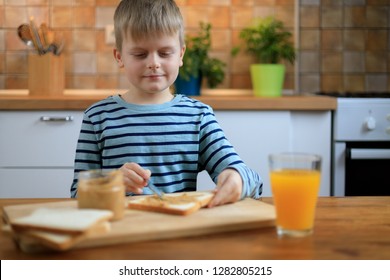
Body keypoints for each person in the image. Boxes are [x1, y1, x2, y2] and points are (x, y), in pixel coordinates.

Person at [70, 0, 262, 207]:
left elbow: (253, 181)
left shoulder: (199, 117)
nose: (154, 62)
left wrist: (236, 178)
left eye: (164, 53)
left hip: (177, 233)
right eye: (140, 54)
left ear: (180, 54)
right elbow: (76, 195)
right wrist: (111, 183)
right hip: (115, 234)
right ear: (119, 57)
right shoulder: (97, 117)